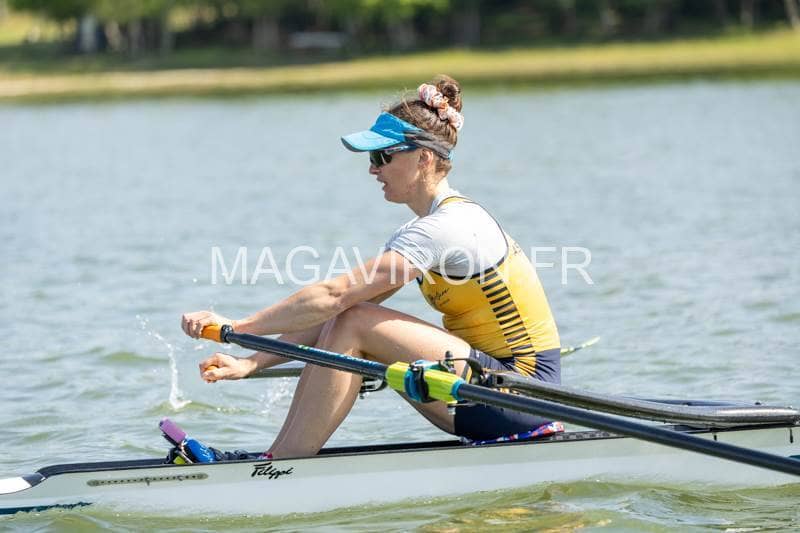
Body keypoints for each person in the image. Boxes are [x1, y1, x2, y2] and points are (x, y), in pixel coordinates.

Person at [181, 75, 562, 458]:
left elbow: (334, 296)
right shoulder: (422, 230)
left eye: (383, 156)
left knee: (354, 319)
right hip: (481, 390)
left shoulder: (448, 226)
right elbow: (333, 310)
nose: (373, 169)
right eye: (371, 158)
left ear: (424, 158)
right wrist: (252, 363)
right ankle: (276, 459)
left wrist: (237, 327)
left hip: (524, 394)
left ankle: (279, 466)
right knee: (350, 316)